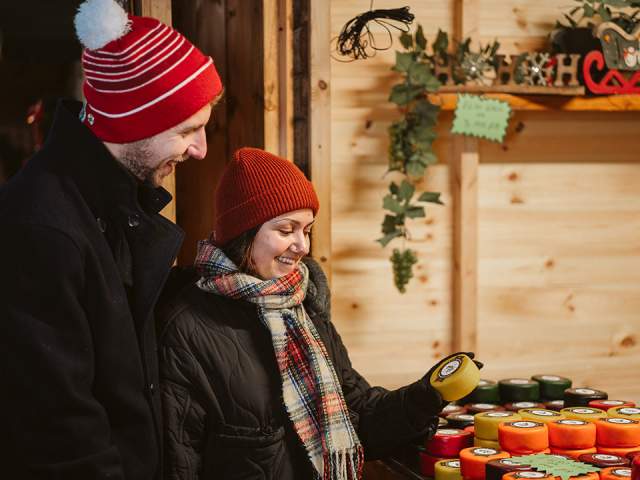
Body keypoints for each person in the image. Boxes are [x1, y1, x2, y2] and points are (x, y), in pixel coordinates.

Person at [158, 147, 481, 480]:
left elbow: (358, 415)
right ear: (243, 233)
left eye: (307, 230)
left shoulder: (305, 306)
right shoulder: (186, 327)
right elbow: (180, 463)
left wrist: (426, 395)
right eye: (286, 230)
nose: (303, 246)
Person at [0, 0, 223, 478]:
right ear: (132, 123)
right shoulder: (40, 227)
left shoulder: (108, 202)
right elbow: (59, 430)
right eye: (189, 129)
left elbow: (114, 320)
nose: (202, 149)